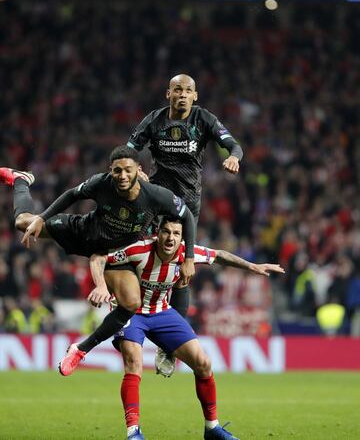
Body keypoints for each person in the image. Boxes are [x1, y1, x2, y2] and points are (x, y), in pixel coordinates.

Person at [60, 217, 284, 440]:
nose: (171, 238)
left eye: (176, 233)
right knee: (134, 363)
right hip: (131, 313)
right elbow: (98, 257)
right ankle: (133, 432)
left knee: (203, 363)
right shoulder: (140, 250)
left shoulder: (187, 253)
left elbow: (219, 255)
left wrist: (252, 266)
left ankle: (212, 428)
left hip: (162, 312)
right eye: (166, 232)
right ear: (158, 233)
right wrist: (101, 284)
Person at [0, 146, 196, 364]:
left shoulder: (156, 196)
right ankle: (21, 180)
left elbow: (186, 216)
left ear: (138, 170)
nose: (122, 176)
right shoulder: (101, 183)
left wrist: (188, 259)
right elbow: (72, 195)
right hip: (83, 232)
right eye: (117, 170)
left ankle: (84, 349)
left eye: (128, 170)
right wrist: (41, 218)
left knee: (131, 302)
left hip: (113, 253)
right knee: (22, 222)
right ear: (110, 170)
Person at [127, 74, 244, 373]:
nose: (182, 94)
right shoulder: (153, 120)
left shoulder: (204, 119)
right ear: (168, 93)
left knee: (180, 267)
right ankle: (128, 316)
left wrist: (233, 158)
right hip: (156, 198)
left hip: (187, 205)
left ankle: (169, 347)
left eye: (187, 91)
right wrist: (133, 168)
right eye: (177, 89)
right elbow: (130, 148)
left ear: (195, 96)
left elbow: (234, 145)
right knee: (138, 254)